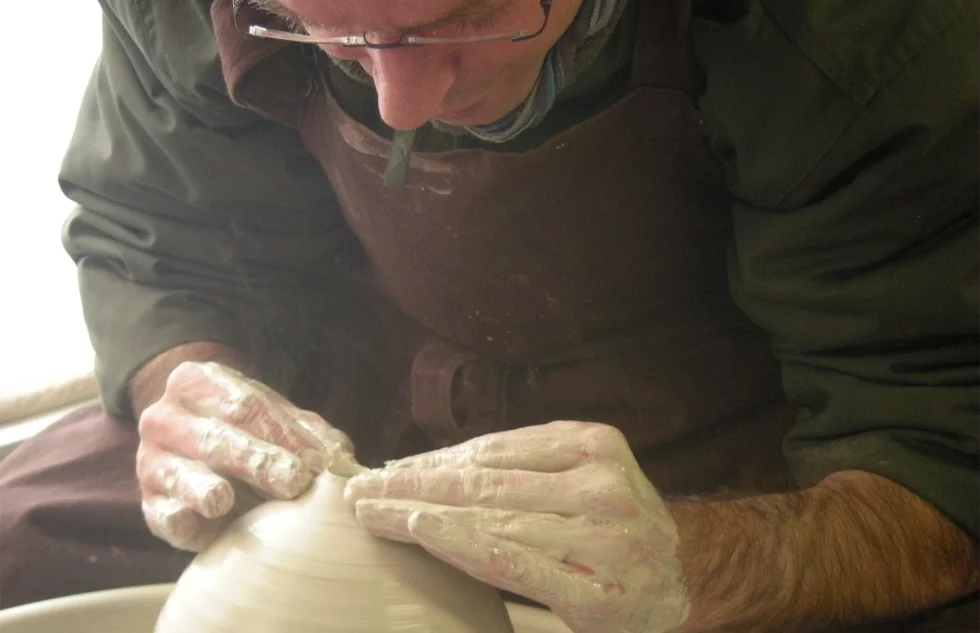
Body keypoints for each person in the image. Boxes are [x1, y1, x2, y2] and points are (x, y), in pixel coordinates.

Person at [0, 0, 977, 630]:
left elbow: (940, 441)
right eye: (326, 30)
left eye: (456, 21)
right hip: (347, 398)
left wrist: (701, 569)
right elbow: (163, 234)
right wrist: (189, 387)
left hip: (746, 464)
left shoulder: (864, 40)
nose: (400, 105)